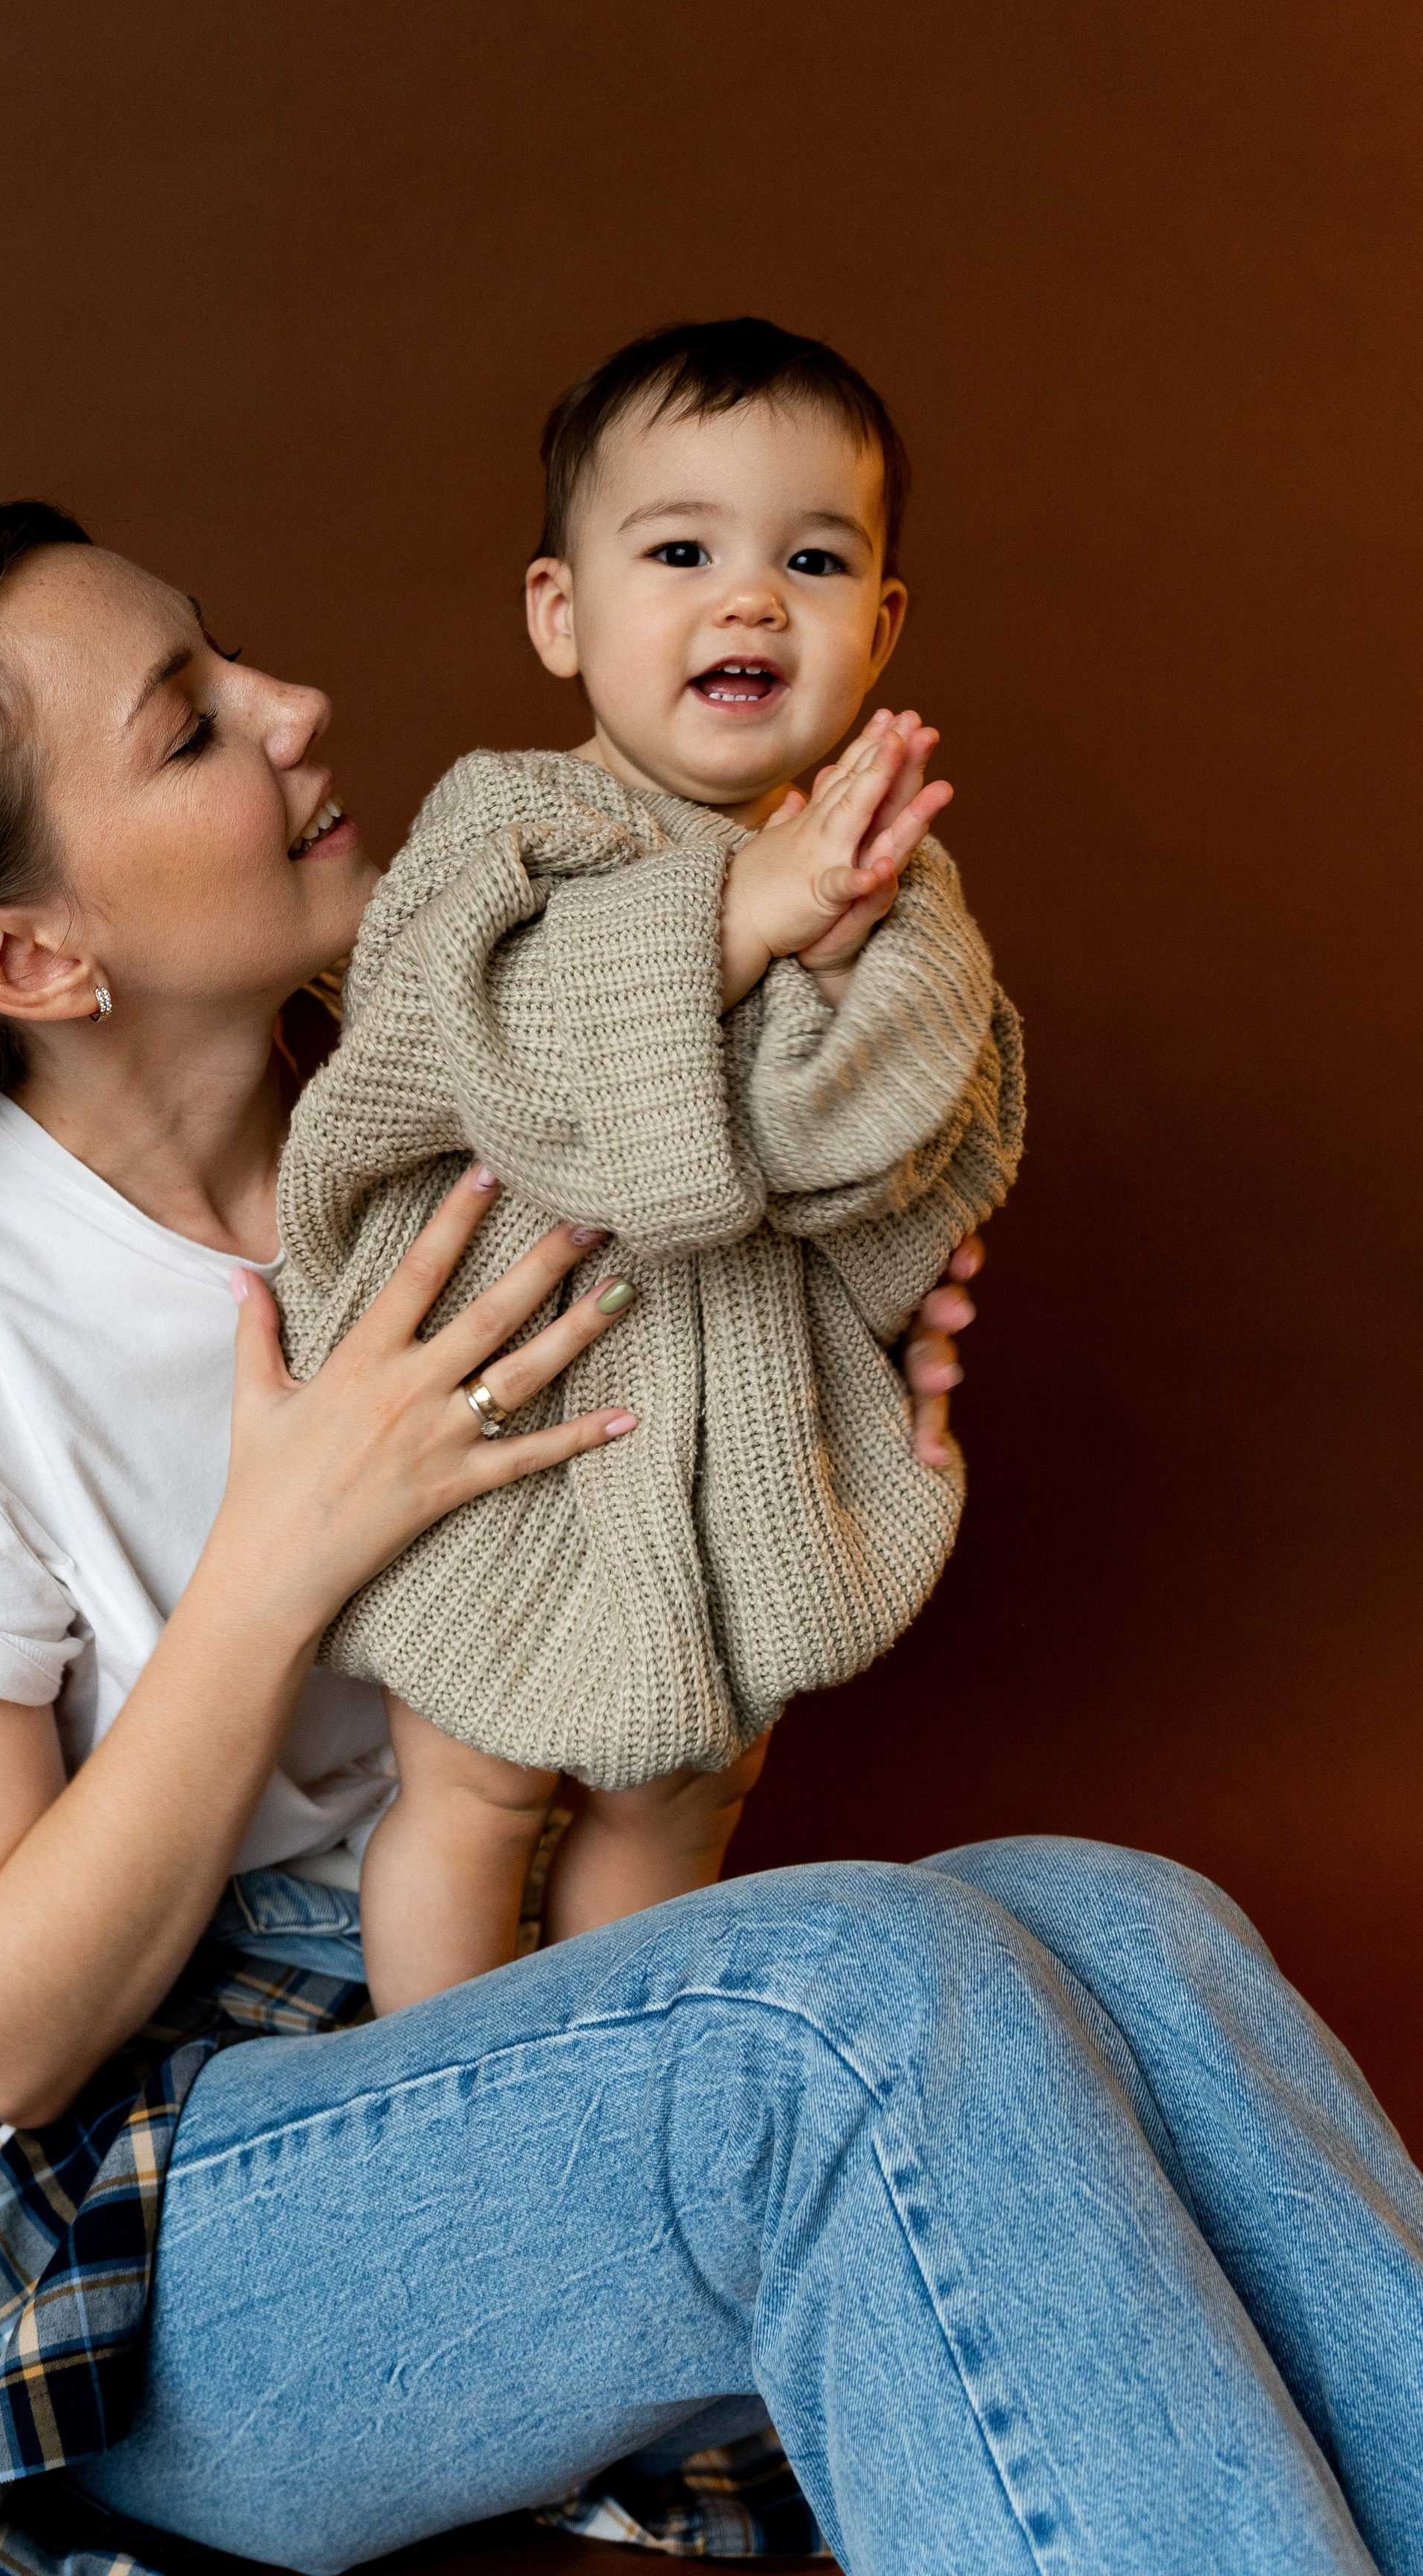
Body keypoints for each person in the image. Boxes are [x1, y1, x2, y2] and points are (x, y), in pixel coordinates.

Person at [0, 505, 1423, 2576]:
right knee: (846, 2002)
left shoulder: (461, 1108)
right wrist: (282, 1548)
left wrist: (817, 1435)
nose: (295, 707)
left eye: (230, 652)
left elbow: (602, 1717)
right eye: (188, 727)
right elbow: (5, 2030)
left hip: (516, 2018)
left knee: (1126, 1930)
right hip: (165, 2227)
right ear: (32, 957)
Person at [279, 318, 1025, 2011]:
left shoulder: (890, 880)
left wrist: (840, 966)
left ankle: (615, 2092)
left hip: (739, 1434)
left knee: (684, 1792)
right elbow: (464, 1044)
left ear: (879, 627)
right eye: (681, 552)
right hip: (506, 1431)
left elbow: (901, 1135)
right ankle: (448, 2099)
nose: (749, 599)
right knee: (474, 1789)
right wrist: (741, 921)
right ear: (561, 614)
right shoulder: (504, 823)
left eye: (811, 562)